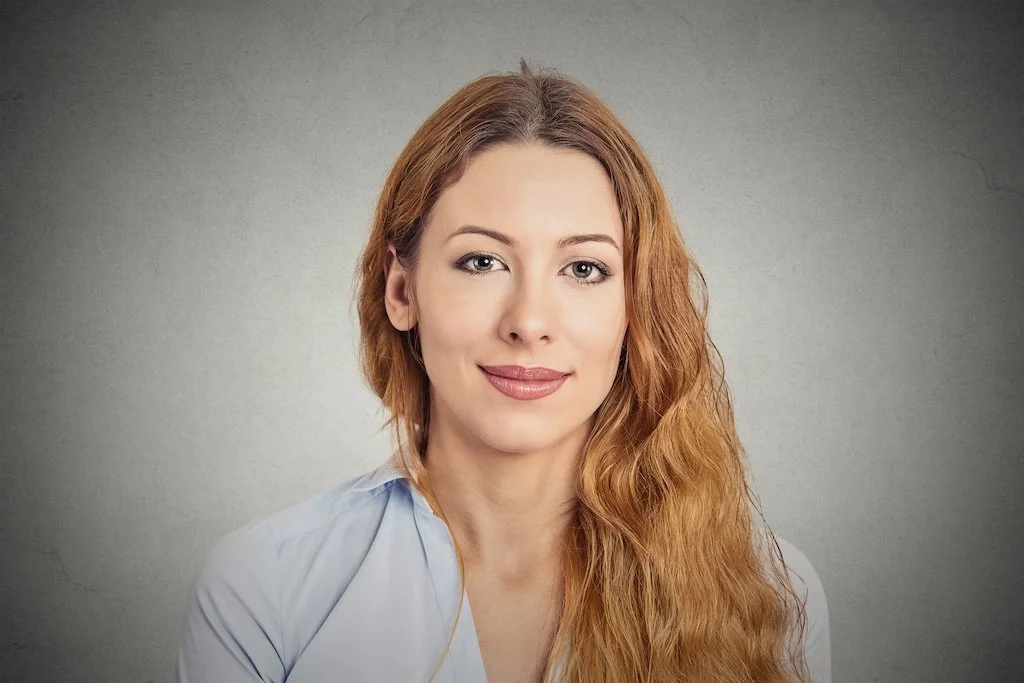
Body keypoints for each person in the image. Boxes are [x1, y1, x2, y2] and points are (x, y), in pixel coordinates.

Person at [176, 60, 830, 683]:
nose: (529, 320)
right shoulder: (267, 582)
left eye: (583, 269)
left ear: (637, 305)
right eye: (483, 261)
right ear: (401, 291)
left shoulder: (771, 592)